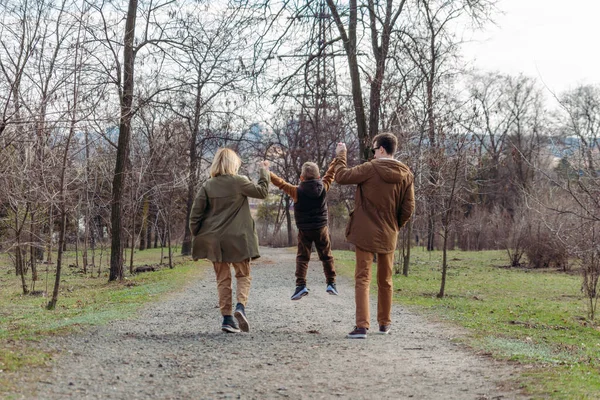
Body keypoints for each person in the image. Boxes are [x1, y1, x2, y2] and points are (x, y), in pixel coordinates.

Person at [333, 133, 415, 339]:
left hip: (365, 232)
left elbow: (341, 176)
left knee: (363, 278)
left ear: (381, 150)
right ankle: (385, 324)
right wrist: (395, 226)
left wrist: (341, 155)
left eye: (373, 149)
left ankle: (361, 326)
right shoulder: (406, 174)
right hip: (389, 233)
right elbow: (408, 208)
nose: (372, 153)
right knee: (385, 280)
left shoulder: (370, 169)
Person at [189, 148, 270, 333]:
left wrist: (198, 236)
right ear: (233, 164)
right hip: (238, 240)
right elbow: (263, 192)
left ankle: (227, 319)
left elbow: (195, 215)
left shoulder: (208, 185)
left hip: (215, 241)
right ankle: (240, 307)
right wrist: (264, 171)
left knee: (222, 279)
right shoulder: (239, 181)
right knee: (243, 275)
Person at [270, 161, 338, 300]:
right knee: (326, 255)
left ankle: (300, 285)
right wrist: (336, 160)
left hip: (304, 230)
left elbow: (281, 183)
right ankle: (331, 282)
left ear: (301, 178)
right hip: (321, 228)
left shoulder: (296, 191)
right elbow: (330, 174)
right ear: (318, 176)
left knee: (302, 257)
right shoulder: (323, 186)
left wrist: (267, 172)